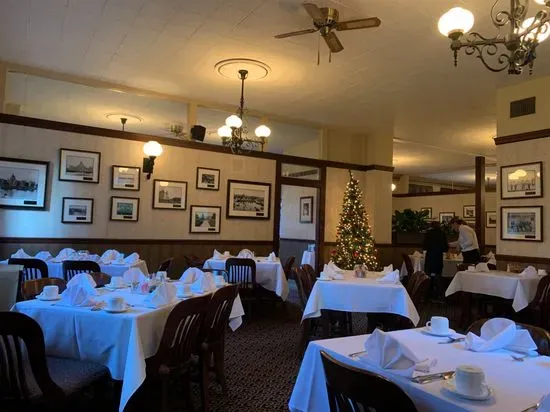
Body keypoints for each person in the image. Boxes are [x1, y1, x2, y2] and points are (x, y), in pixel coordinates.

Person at [423, 221, 448, 301]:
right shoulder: (442, 233)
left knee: (429, 275)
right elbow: (445, 248)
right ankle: (439, 295)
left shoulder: (428, 233)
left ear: (431, 226)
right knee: (438, 275)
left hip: (430, 257)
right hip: (438, 257)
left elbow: (424, 246)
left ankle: (428, 295)